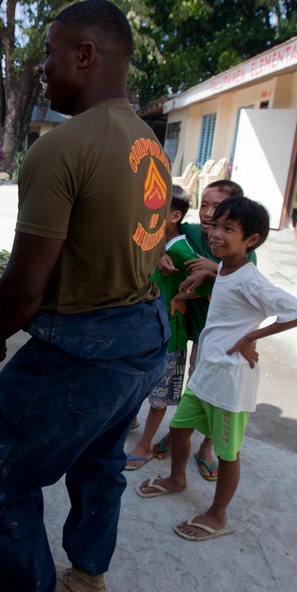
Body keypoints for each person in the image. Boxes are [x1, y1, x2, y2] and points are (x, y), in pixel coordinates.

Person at [0, 0, 171, 592]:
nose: (44, 68)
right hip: (143, 337)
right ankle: (86, 583)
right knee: (98, 465)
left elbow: (26, 286)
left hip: (82, 348)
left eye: (52, 53)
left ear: (86, 54)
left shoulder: (61, 148)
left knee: (4, 481)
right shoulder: (147, 141)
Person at [137, 197, 297, 541]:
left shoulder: (252, 280)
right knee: (181, 428)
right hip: (206, 374)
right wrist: (194, 286)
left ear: (252, 240)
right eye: (214, 225)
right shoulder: (226, 270)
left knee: (227, 453)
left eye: (227, 229)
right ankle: (176, 479)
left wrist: (252, 336)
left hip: (231, 383)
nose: (215, 234)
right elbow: (224, 289)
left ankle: (217, 514)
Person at [149, 179, 248, 480]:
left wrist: (215, 269)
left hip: (222, 333)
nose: (208, 214)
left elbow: (247, 286)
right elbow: (162, 234)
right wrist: (157, 255)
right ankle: (178, 434)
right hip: (191, 324)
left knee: (210, 390)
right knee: (193, 384)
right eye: (204, 205)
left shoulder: (241, 246)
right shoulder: (192, 231)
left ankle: (205, 447)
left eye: (217, 208)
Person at [124, 185, 206, 471]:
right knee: (136, 380)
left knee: (159, 395)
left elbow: (208, 284)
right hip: (145, 328)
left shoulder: (182, 249)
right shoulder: (150, 242)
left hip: (170, 335)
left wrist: (180, 298)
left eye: (155, 211)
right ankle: (132, 420)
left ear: (174, 216)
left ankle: (145, 443)